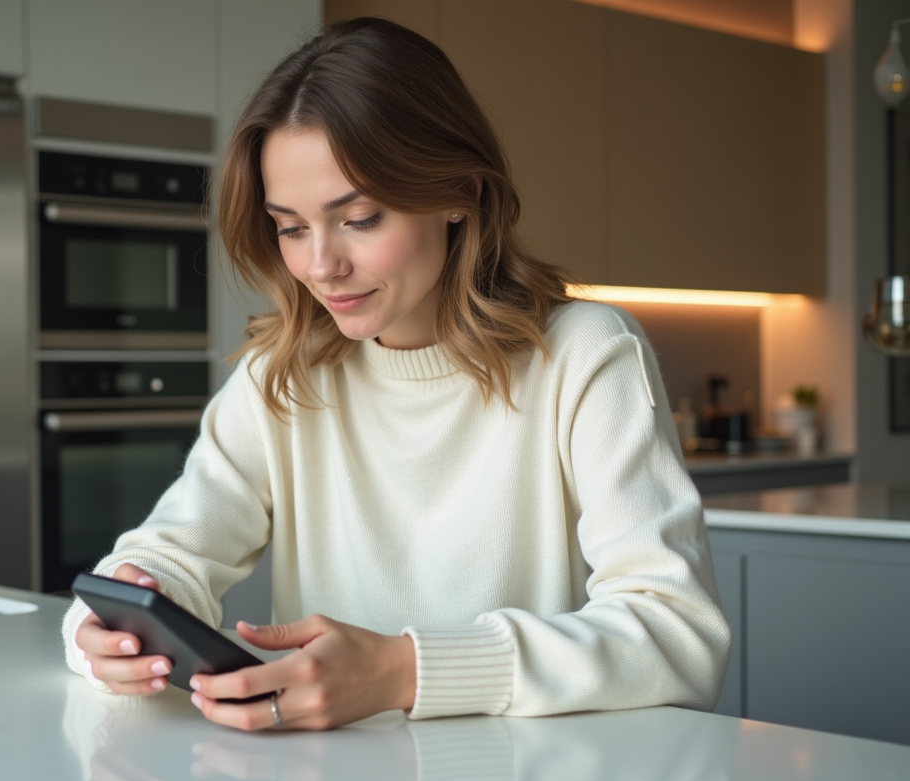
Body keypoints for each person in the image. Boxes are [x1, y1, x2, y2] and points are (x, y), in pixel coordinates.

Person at [63, 17, 730, 732]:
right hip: (327, 774)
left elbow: (677, 636)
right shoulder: (280, 374)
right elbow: (166, 555)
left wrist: (403, 672)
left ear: (461, 193)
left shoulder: (583, 355)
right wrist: (112, 626)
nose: (321, 266)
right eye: (291, 227)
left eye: (360, 218)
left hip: (529, 773)